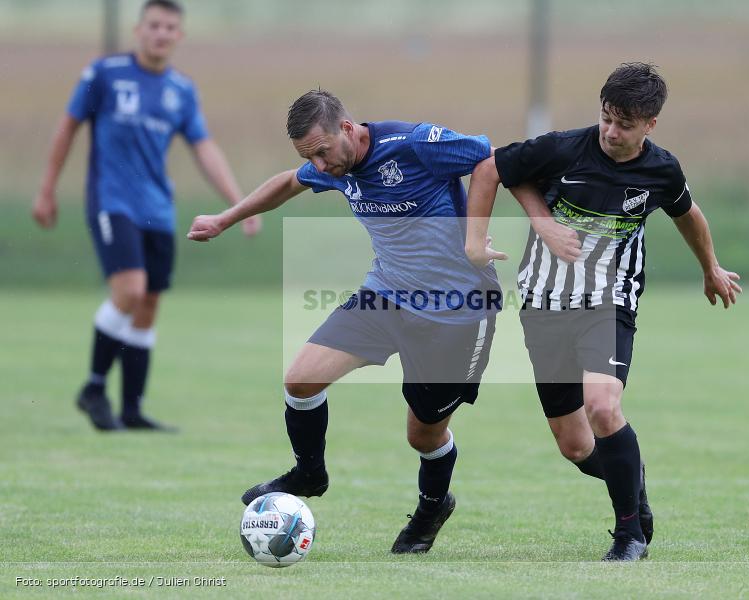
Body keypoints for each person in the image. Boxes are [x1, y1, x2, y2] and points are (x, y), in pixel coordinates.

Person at [187, 90, 501, 554]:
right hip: (387, 295)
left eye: (323, 151)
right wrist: (224, 218)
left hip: (457, 311)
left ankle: (433, 505)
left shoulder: (415, 144)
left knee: (423, 433)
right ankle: (310, 474)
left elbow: (489, 158)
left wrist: (474, 236)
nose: (320, 164)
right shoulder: (335, 165)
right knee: (301, 380)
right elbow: (288, 183)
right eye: (310, 156)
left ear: (348, 129)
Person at [465, 62, 742, 561]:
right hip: (544, 302)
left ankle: (629, 534)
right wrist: (495, 237)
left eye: (625, 125)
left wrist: (711, 268)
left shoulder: (661, 169)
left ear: (650, 125)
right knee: (574, 445)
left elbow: (690, 215)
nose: (611, 132)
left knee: (603, 407)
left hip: (609, 298)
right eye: (606, 118)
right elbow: (491, 170)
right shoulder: (563, 148)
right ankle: (629, 478)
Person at [31, 0, 260, 432]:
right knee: (130, 288)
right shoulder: (104, 74)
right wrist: (46, 189)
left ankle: (132, 409)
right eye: (153, 25)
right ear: (138, 30)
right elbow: (67, 127)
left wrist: (238, 203)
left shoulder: (181, 90)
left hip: (158, 208)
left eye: (169, 27)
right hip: (111, 201)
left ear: (180, 36)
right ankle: (94, 388)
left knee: (150, 301)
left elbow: (204, 148)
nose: (160, 33)